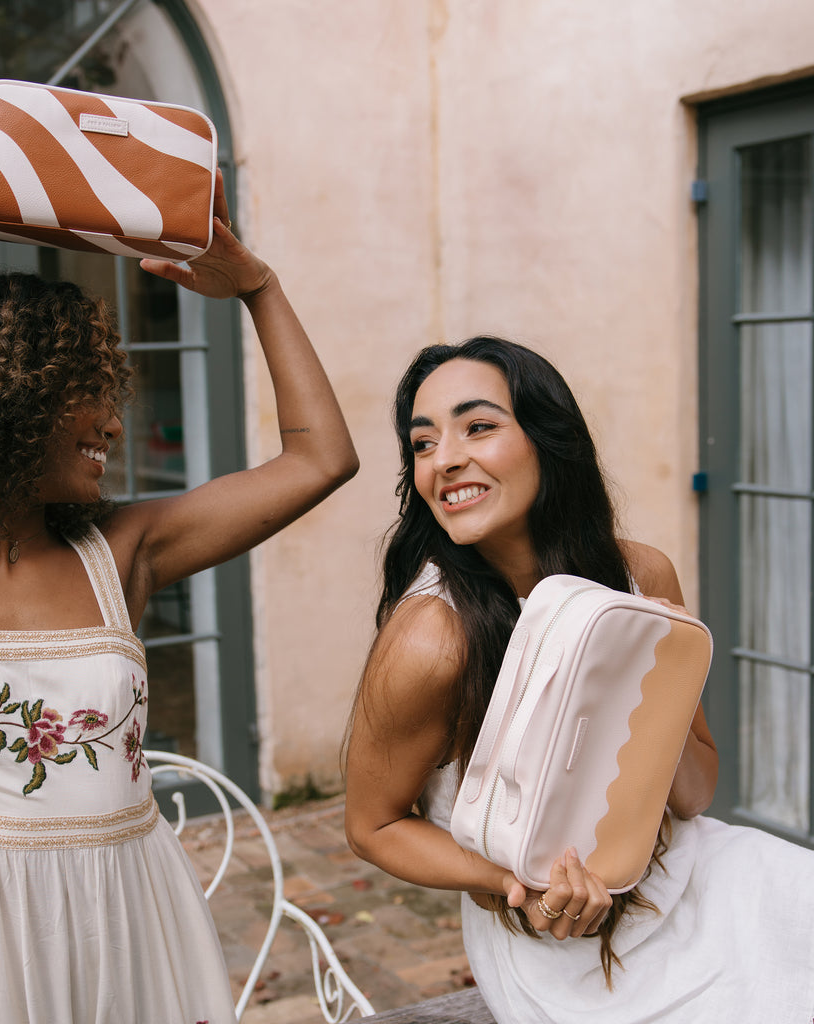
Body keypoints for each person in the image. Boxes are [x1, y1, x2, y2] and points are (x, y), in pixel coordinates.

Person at [0, 107, 358, 1024]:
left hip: (143, 921)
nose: (113, 421)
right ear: (5, 405)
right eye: (87, 391)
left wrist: (258, 287)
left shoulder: (119, 554)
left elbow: (320, 460)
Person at [344, 336, 814, 1022]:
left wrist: (656, 670)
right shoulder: (432, 636)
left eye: (478, 427)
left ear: (549, 439)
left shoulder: (642, 574)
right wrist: (516, 883)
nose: (444, 460)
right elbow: (373, 825)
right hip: (555, 947)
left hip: (693, 871)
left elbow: (695, 795)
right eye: (423, 443)